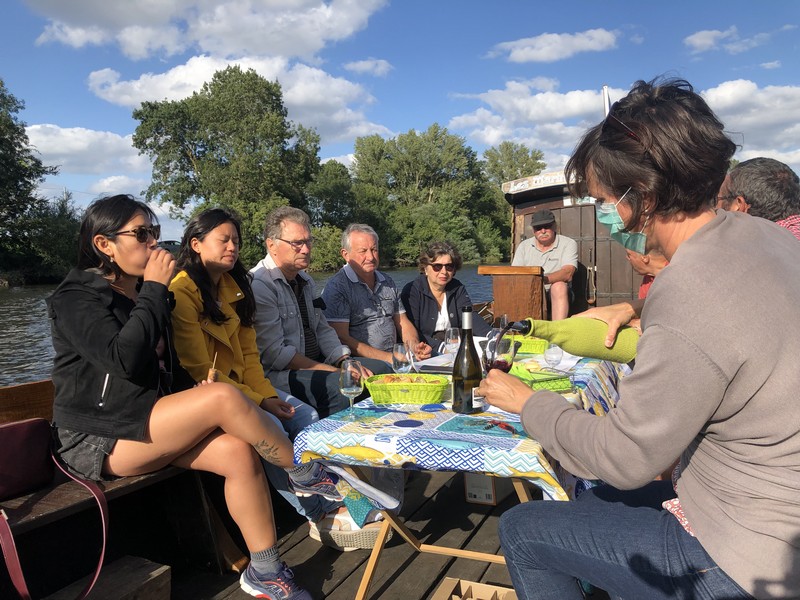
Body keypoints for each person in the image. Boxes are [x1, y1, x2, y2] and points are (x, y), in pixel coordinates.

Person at [479, 78, 800, 599]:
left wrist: (528, 402)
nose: (605, 213)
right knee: (588, 504)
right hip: (773, 498)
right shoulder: (763, 235)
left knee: (522, 530)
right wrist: (635, 305)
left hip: (748, 548)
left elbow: (627, 459)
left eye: (604, 199)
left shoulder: (689, 287)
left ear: (642, 197)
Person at [48, 195, 342, 600]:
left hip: (147, 421)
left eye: (155, 233)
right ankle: (304, 471)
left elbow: (167, 367)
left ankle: (266, 570)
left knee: (238, 452)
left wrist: (195, 387)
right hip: (99, 437)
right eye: (141, 234)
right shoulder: (77, 296)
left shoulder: (145, 292)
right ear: (104, 244)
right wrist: (155, 288)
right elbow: (125, 361)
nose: (153, 244)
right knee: (222, 397)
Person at [169, 207, 372, 552]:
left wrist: (263, 395)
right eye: (224, 240)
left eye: (236, 240)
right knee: (271, 427)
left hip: (247, 386)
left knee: (302, 415)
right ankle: (318, 512)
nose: (232, 246)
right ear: (196, 244)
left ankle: (339, 497)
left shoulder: (235, 288)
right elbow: (198, 367)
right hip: (209, 396)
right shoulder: (182, 292)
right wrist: (260, 400)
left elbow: (249, 357)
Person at [250, 207, 392, 420]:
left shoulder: (305, 281)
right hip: (281, 375)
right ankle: (335, 441)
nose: (306, 249)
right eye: (297, 243)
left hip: (315, 363)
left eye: (308, 241)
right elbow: (276, 355)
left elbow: (322, 329)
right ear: (272, 245)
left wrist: (345, 361)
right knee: (344, 389)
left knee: (381, 371)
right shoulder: (260, 285)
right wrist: (332, 371)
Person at [322, 224, 431, 362]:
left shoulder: (387, 281)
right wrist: (390, 359)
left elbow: (402, 322)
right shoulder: (337, 287)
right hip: (359, 360)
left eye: (374, 250)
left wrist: (414, 347)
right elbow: (341, 337)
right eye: (363, 251)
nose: (370, 257)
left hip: (395, 356)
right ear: (345, 254)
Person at [400, 241, 491, 351]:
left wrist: (491, 335)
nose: (444, 272)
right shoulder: (412, 291)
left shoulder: (457, 288)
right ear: (425, 268)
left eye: (449, 267)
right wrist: (442, 347)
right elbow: (412, 332)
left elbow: (470, 316)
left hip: (454, 347)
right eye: (437, 266)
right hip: (425, 351)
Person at [511, 209, 578, 320]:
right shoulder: (524, 246)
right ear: (533, 230)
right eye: (538, 228)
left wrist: (542, 280)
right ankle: (519, 328)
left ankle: (558, 331)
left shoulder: (568, 243)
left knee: (559, 286)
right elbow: (515, 273)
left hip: (558, 292)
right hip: (530, 290)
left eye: (547, 226)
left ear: (554, 226)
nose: (543, 231)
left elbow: (568, 273)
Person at [716, 156, 800, 241]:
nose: (714, 208)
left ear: (739, 206)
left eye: (716, 199)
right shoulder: (791, 241)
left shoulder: (746, 249)